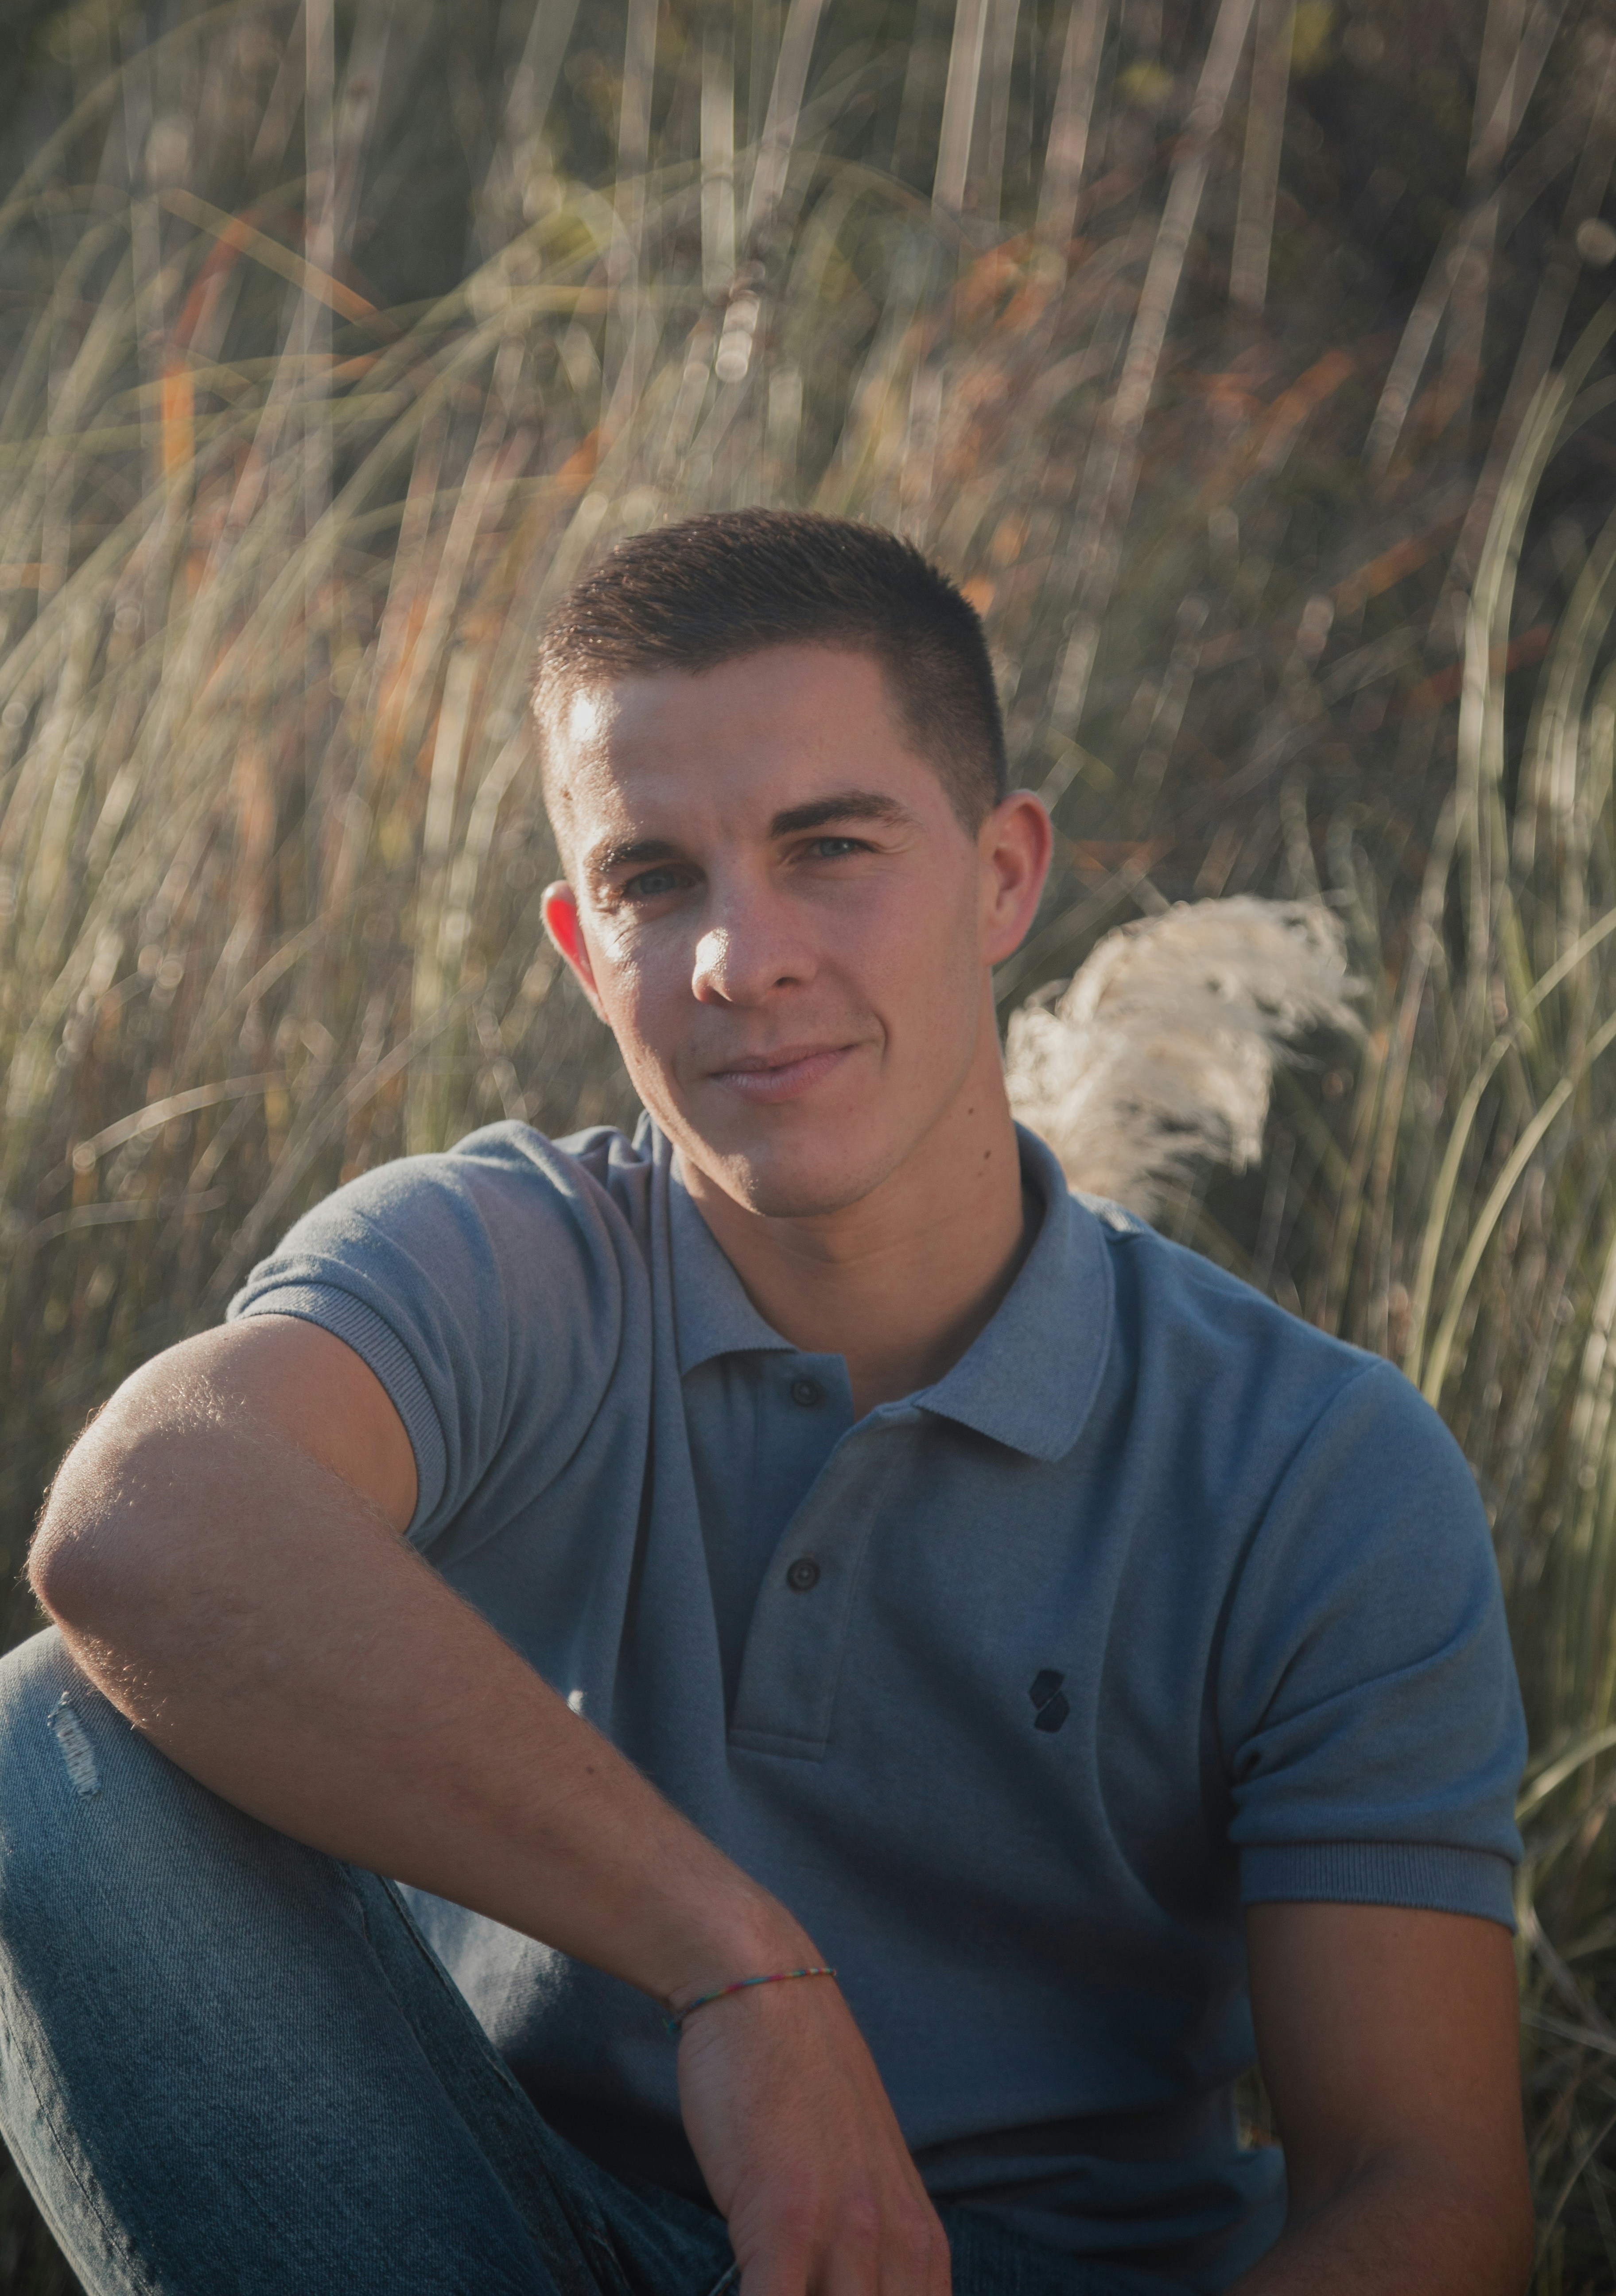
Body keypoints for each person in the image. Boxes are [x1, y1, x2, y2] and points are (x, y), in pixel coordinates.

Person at [5, 512, 1531, 2296]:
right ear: (582, 948)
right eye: (659, 880)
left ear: (1005, 873)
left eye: (830, 845)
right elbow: (139, 1525)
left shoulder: (1312, 1467)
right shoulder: (503, 1261)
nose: (743, 955)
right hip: (493, 2245)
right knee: (55, 1746)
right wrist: (739, 1967)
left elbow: (1428, 2200)